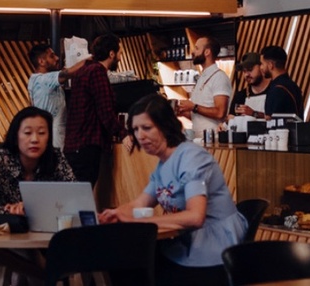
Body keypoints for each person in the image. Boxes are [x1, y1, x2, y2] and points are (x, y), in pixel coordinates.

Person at [99, 94, 246, 286]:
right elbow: (140, 203)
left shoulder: (192, 157)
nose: (140, 136)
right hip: (184, 244)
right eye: (135, 129)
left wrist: (144, 223)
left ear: (165, 125)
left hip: (214, 249)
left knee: (131, 269)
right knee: (122, 266)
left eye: (147, 128)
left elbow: (195, 217)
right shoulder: (163, 164)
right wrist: (113, 214)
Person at [0, 106, 76, 216]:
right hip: (2, 231)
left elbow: (76, 200)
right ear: (15, 137)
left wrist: (31, 208)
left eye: (41, 133)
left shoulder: (56, 158)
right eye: (28, 133)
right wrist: (9, 211)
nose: (35, 139)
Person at [63, 33, 125, 186]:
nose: (120, 58)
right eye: (120, 53)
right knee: (81, 197)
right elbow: (105, 112)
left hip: (74, 145)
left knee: (75, 196)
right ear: (111, 53)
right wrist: (123, 134)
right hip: (86, 146)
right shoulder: (97, 72)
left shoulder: (83, 71)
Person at [26, 45, 86, 149]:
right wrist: (89, 60)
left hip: (50, 135)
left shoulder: (38, 80)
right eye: (52, 56)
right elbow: (69, 72)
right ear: (41, 62)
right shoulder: (43, 80)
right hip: (53, 139)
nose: (57, 58)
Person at [176, 37, 232, 138]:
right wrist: (182, 112)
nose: (193, 52)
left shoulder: (219, 77)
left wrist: (193, 107)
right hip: (198, 138)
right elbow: (198, 117)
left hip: (214, 139)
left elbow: (220, 113)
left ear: (207, 52)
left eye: (197, 48)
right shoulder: (201, 77)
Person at [260, 45, 304, 119]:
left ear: (270, 65)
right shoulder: (293, 86)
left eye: (262, 64)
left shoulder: (277, 89)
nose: (261, 67)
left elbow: (272, 120)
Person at [229, 52, 271, 119]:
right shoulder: (240, 96)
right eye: (244, 71)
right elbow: (231, 117)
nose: (246, 75)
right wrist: (225, 124)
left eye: (250, 70)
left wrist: (253, 113)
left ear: (261, 67)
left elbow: (278, 119)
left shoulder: (275, 91)